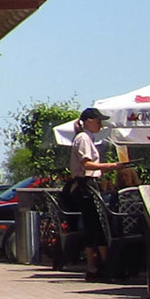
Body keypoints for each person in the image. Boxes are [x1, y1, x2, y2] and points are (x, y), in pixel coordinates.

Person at [62, 108, 120, 275]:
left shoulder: (86, 138)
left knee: (94, 225)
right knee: (96, 225)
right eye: (97, 120)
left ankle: (95, 265)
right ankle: (101, 265)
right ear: (88, 121)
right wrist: (112, 166)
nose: (100, 124)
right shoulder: (84, 139)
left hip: (86, 185)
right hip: (85, 184)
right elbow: (86, 165)